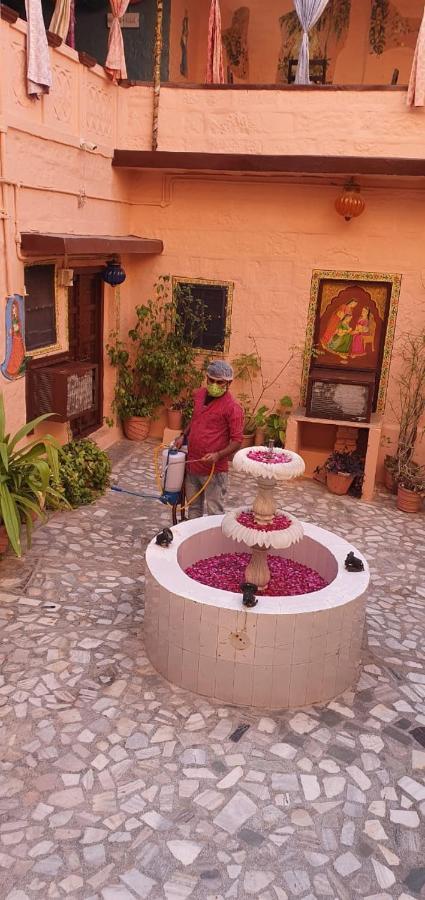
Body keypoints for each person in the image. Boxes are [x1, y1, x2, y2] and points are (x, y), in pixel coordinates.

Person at [174, 360, 244, 519]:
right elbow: (195, 419)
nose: (214, 384)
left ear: (229, 383)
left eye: (219, 382)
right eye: (211, 380)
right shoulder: (199, 395)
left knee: (215, 513)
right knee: (194, 509)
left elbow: (237, 440)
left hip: (215, 471)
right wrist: (183, 435)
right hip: (193, 465)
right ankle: (193, 541)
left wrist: (218, 455)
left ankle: (213, 542)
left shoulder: (233, 408)